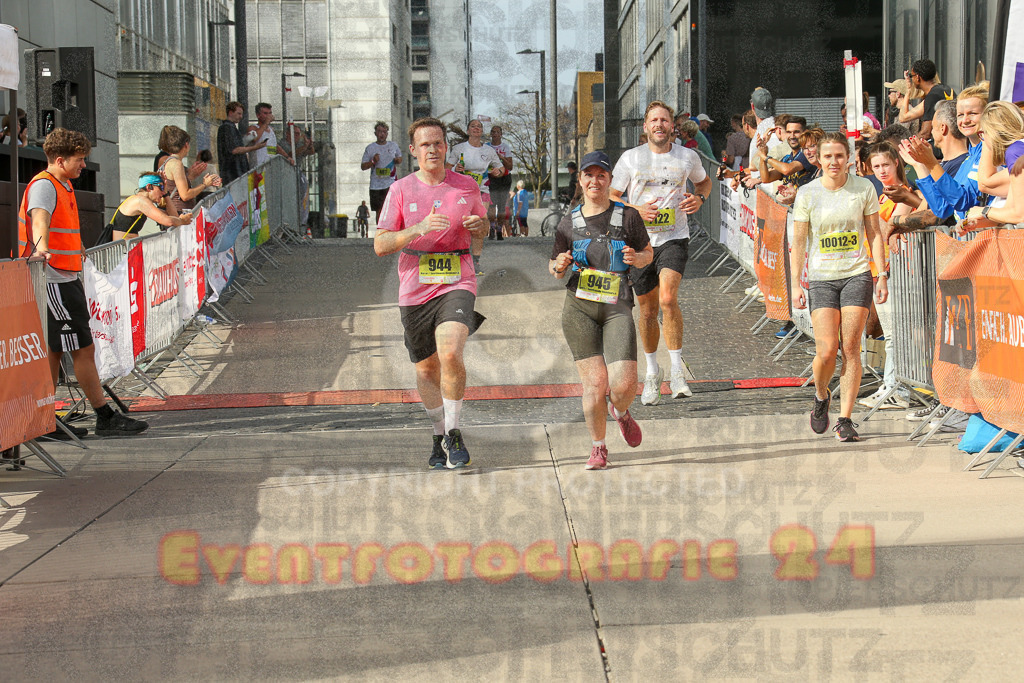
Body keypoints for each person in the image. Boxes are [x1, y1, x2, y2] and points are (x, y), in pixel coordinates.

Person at [17, 129, 150, 439]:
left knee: (54, 351)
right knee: (83, 348)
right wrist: (41, 247)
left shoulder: (61, 185)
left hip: (61, 276)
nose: (84, 165)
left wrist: (72, 250)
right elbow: (39, 219)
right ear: (60, 160)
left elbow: (56, 225)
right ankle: (103, 416)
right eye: (80, 160)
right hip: (54, 279)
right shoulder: (45, 186)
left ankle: (45, 420)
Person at [374, 117, 489, 469]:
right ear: (413, 151)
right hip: (415, 287)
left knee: (451, 352)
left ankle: (454, 433)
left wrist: (481, 227)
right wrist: (417, 229)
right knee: (426, 370)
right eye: (425, 145)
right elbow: (380, 245)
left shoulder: (466, 186)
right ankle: (439, 434)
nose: (433, 150)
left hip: (458, 278)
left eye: (438, 143)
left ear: (446, 147)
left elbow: (482, 238)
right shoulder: (401, 190)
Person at [550, 151, 653, 470]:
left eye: (601, 175)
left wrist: (639, 259)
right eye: (588, 175)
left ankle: (620, 411)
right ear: (580, 180)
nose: (595, 181)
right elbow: (554, 265)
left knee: (624, 386)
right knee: (595, 383)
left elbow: (648, 252)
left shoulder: (629, 217)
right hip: (579, 309)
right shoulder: (569, 222)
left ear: (610, 181)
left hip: (617, 307)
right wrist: (559, 265)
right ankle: (598, 447)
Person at [611, 100, 712, 405]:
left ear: (672, 126)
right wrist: (636, 209)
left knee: (668, 299)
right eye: (654, 120)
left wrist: (700, 199)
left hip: (674, 237)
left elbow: (704, 183)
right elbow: (612, 196)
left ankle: (678, 370)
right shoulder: (630, 159)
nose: (659, 125)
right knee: (647, 310)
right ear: (646, 127)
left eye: (664, 120)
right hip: (639, 242)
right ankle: (653, 373)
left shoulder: (687, 156)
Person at [790, 132, 888, 442]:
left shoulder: (863, 189)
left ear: (848, 158)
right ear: (818, 159)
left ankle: (845, 418)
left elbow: (874, 234)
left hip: (856, 274)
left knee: (850, 348)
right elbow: (800, 242)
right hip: (821, 278)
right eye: (828, 156)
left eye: (839, 156)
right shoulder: (807, 193)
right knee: (827, 349)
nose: (834, 161)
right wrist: (795, 285)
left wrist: (881, 273)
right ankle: (821, 395)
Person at [857, 142, 918, 411]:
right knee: (890, 335)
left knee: (895, 335)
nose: (881, 170)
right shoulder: (881, 196)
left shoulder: (903, 193)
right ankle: (891, 384)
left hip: (895, 271)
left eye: (886, 165)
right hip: (878, 269)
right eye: (876, 166)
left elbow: (886, 228)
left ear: (896, 163)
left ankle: (897, 389)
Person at [446, 119, 504, 275]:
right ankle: (458, 257)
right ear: (468, 130)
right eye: (473, 126)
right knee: (460, 224)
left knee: (480, 224)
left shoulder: (489, 151)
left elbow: (501, 169)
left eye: (479, 126)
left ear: (482, 131)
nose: (476, 128)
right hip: (462, 191)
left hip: (482, 191)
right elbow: (446, 169)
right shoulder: (459, 149)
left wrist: (497, 171)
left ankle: (475, 261)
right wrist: (456, 169)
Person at [99, 173, 192, 244]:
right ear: (149, 187)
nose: (162, 192)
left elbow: (173, 216)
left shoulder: (141, 202)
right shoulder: (140, 201)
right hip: (123, 255)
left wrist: (166, 193)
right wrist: (182, 221)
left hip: (127, 253)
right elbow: (168, 221)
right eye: (161, 187)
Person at [156, 126, 222, 216]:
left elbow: (175, 186)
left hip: (174, 213)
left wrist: (190, 176)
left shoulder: (168, 161)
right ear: (186, 145)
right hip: (179, 213)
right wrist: (205, 184)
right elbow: (185, 195)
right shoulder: (176, 164)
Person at [898, 59, 955, 141]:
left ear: (917, 77)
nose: (911, 79)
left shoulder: (933, 96)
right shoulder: (943, 90)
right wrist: (908, 90)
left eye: (911, 76)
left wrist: (906, 145)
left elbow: (925, 133)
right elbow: (903, 117)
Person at [360, 121, 404, 225]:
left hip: (391, 183)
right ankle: (380, 232)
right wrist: (373, 162)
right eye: (379, 131)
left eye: (384, 132)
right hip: (376, 185)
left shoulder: (393, 145)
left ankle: (392, 232)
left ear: (387, 133)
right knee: (379, 210)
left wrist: (398, 160)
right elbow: (363, 166)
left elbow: (400, 158)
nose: (382, 134)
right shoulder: (370, 148)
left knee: (393, 209)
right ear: (375, 133)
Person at [217, 102, 265, 185]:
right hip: (233, 173)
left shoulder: (230, 128)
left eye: (241, 114)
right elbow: (235, 150)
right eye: (238, 113)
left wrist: (246, 140)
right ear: (230, 112)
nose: (241, 117)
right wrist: (256, 147)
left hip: (235, 173)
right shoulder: (227, 128)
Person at [487, 125, 514, 239]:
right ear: (491, 134)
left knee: (502, 206)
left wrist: (501, 157)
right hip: (491, 178)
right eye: (493, 132)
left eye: (497, 132)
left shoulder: (505, 147)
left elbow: (510, 166)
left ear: (501, 134)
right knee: (491, 206)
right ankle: (492, 228)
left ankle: (499, 229)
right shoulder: (486, 147)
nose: (495, 134)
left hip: (504, 178)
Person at [249, 102, 294, 168]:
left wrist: (287, 157)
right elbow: (254, 138)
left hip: (270, 167)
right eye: (265, 113)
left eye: (270, 113)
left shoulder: (271, 130)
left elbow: (275, 146)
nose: (268, 116)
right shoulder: (253, 128)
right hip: (257, 168)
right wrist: (266, 123)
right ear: (258, 115)